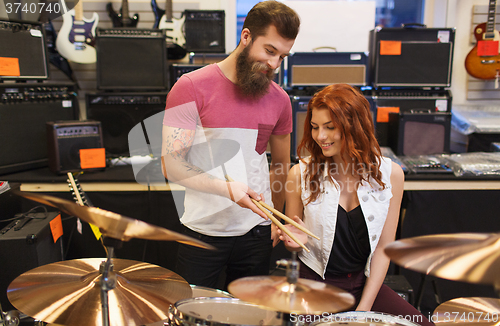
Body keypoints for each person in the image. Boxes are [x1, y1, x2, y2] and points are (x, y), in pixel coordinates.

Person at [160, 0, 300, 290]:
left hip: (257, 232)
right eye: (269, 51)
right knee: (191, 313)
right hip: (202, 230)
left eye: (282, 57)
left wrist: (276, 216)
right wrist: (227, 190)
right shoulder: (190, 87)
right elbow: (170, 165)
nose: (274, 64)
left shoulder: (280, 100)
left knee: (250, 317)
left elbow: (280, 166)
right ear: (246, 37)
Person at [277, 84, 434, 326]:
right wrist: (295, 243)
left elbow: (384, 248)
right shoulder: (300, 174)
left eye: (330, 128)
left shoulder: (391, 174)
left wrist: (363, 311)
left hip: (365, 286)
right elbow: (295, 246)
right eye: (315, 127)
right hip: (315, 286)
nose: (320, 136)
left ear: (354, 127)